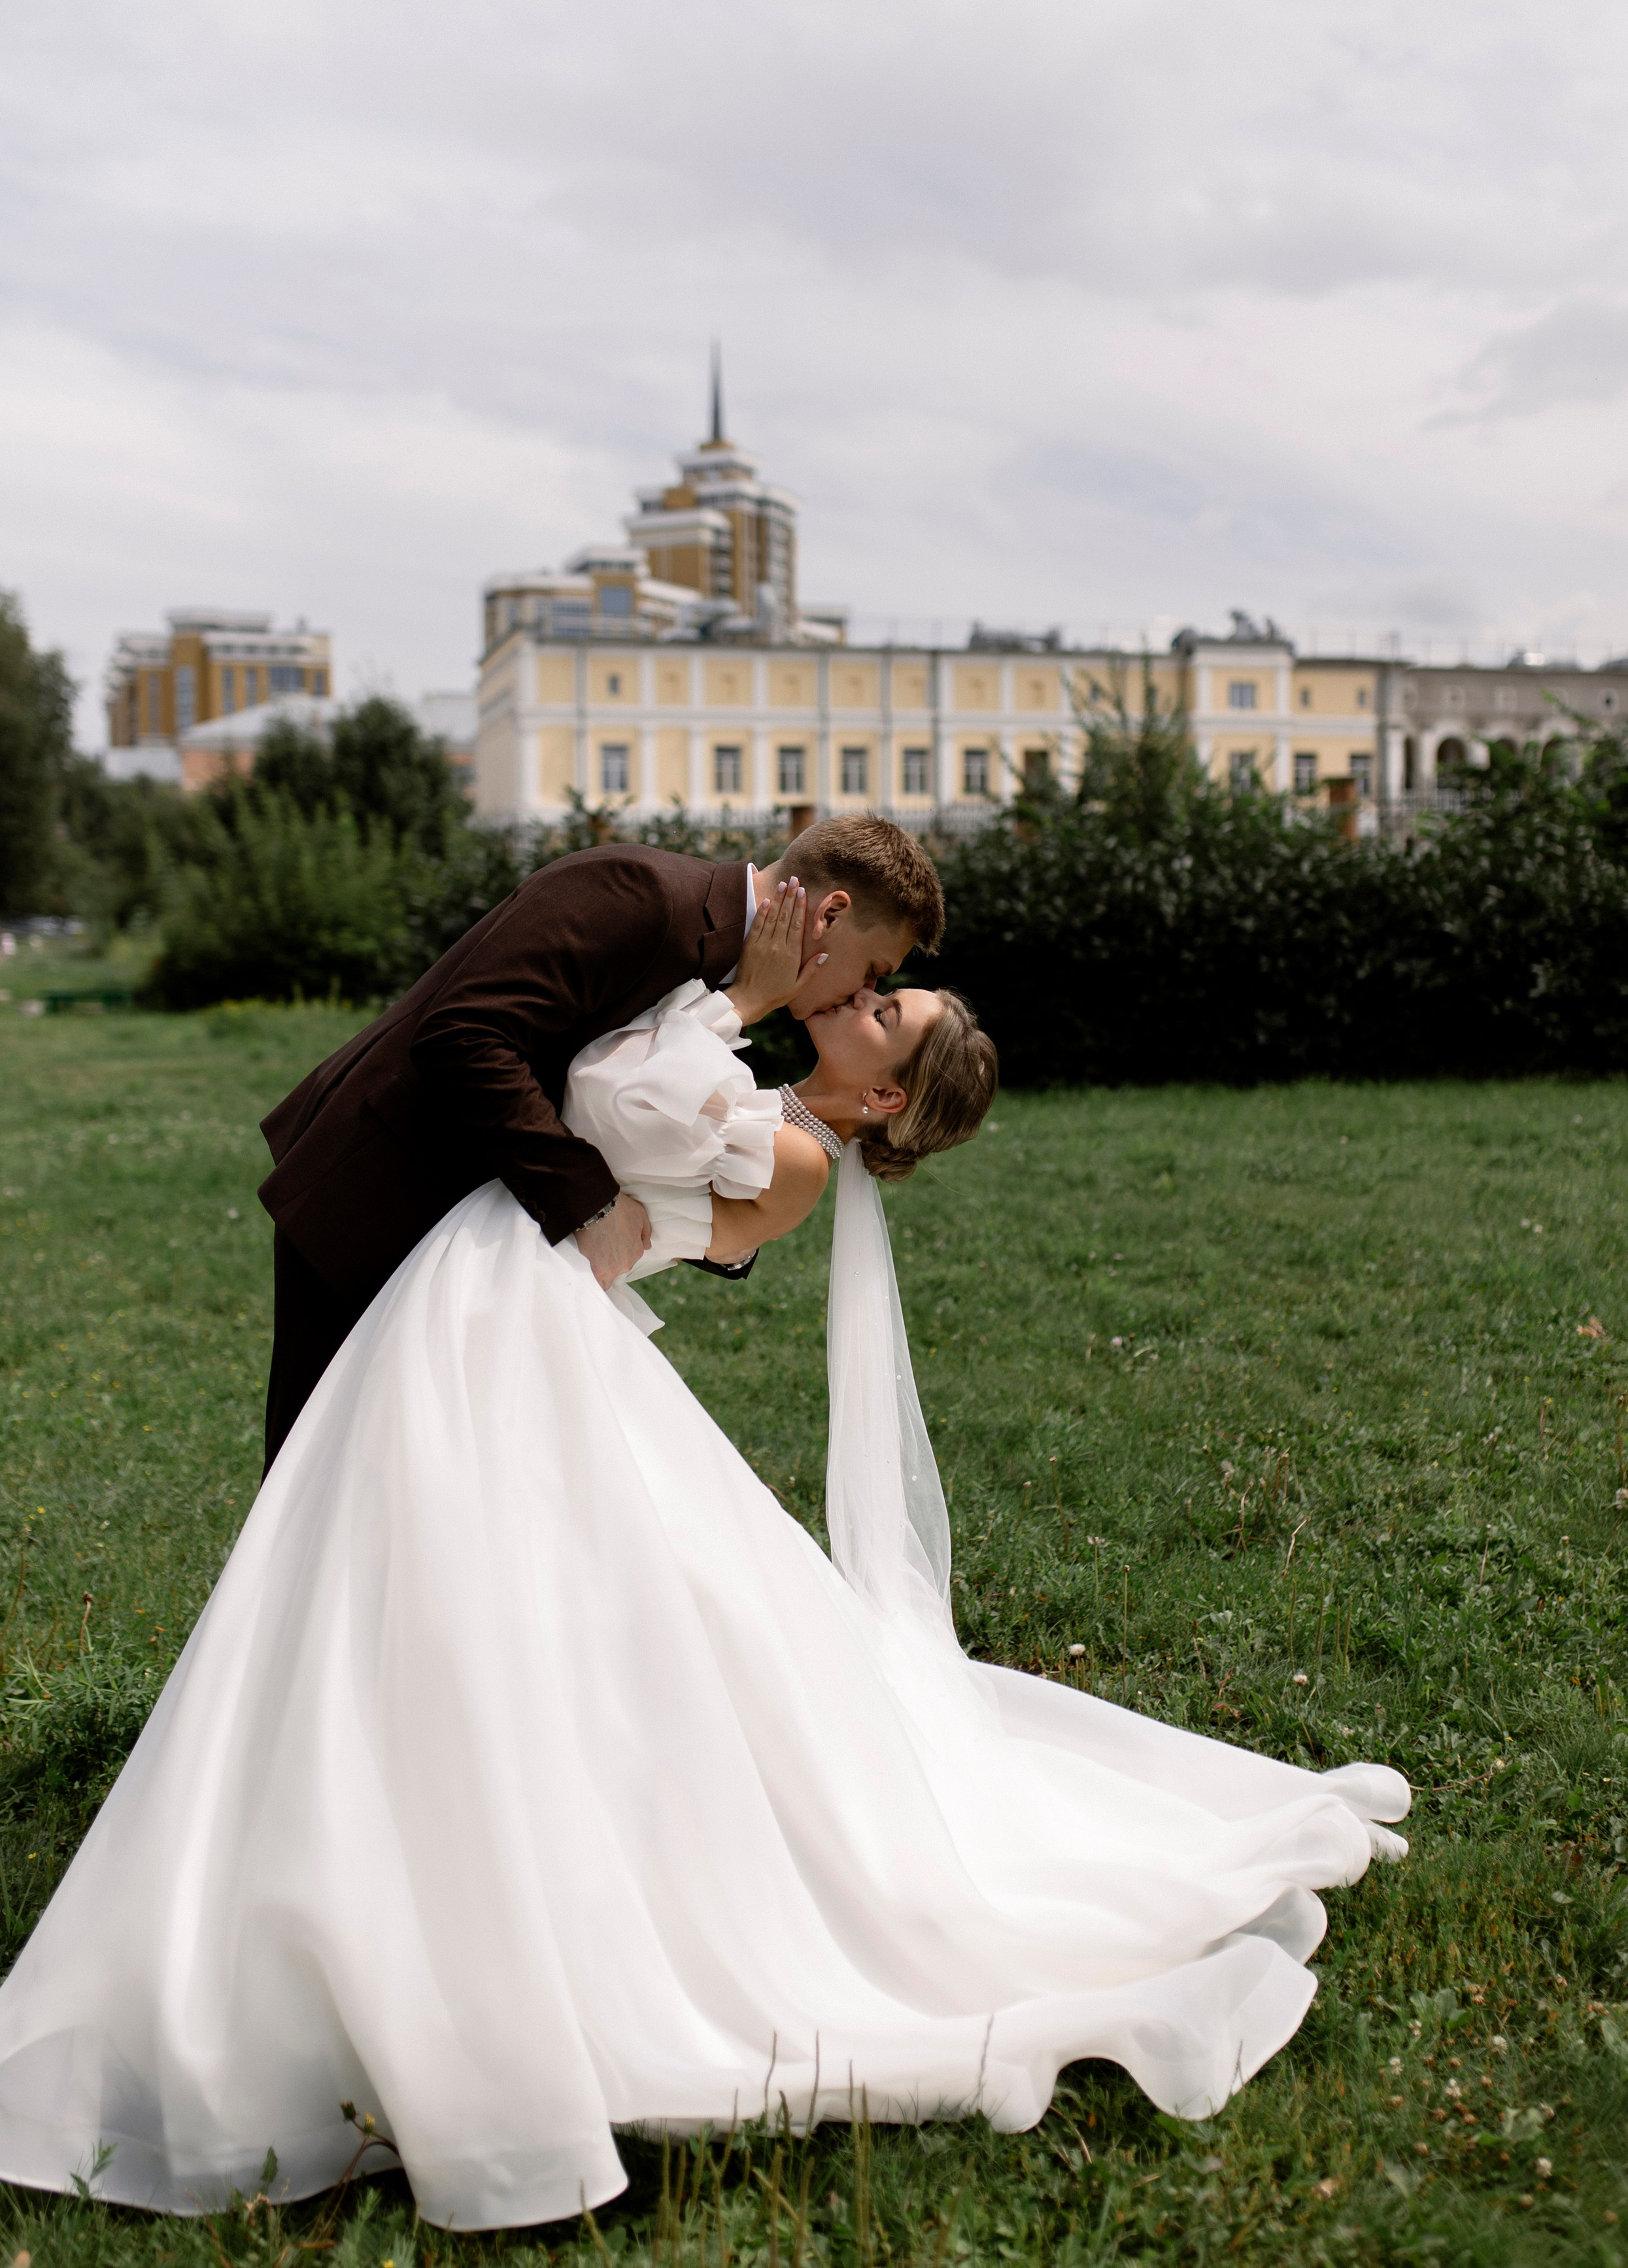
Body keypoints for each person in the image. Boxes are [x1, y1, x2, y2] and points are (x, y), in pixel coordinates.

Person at [0, 891, 1410, 2233]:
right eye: (886, 986)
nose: (864, 997)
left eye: (887, 1012)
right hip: (503, 1296)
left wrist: (734, 994)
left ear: (879, 1101)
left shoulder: (789, 1152)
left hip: (523, 1309)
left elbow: (619, 1093)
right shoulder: (777, 1115)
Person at [256, 815, 944, 1470]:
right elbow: (464, 1038)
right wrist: (592, 1202)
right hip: (384, 1192)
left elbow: (621, 1114)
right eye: (875, 971)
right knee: (320, 1484)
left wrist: (727, 1222)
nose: (864, 990)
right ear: (829, 915)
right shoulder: (637, 893)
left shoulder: (728, 966)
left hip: (482, 1239)